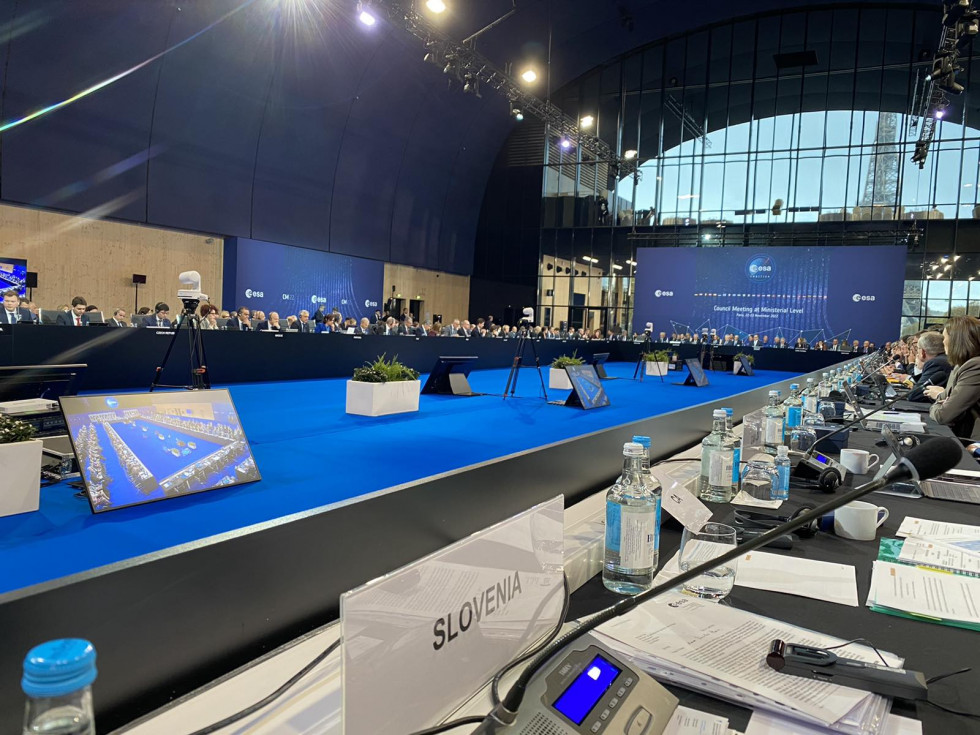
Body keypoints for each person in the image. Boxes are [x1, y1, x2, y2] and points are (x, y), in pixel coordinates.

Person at [925, 316, 980, 439]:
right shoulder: (960, 366)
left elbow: (943, 415)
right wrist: (943, 402)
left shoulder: (975, 366)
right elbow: (946, 400)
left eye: (944, 338)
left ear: (956, 340)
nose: (943, 342)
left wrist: (937, 404)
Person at [906, 331, 951, 403]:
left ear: (923, 352)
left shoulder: (936, 363)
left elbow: (914, 395)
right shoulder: (943, 359)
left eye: (918, 348)